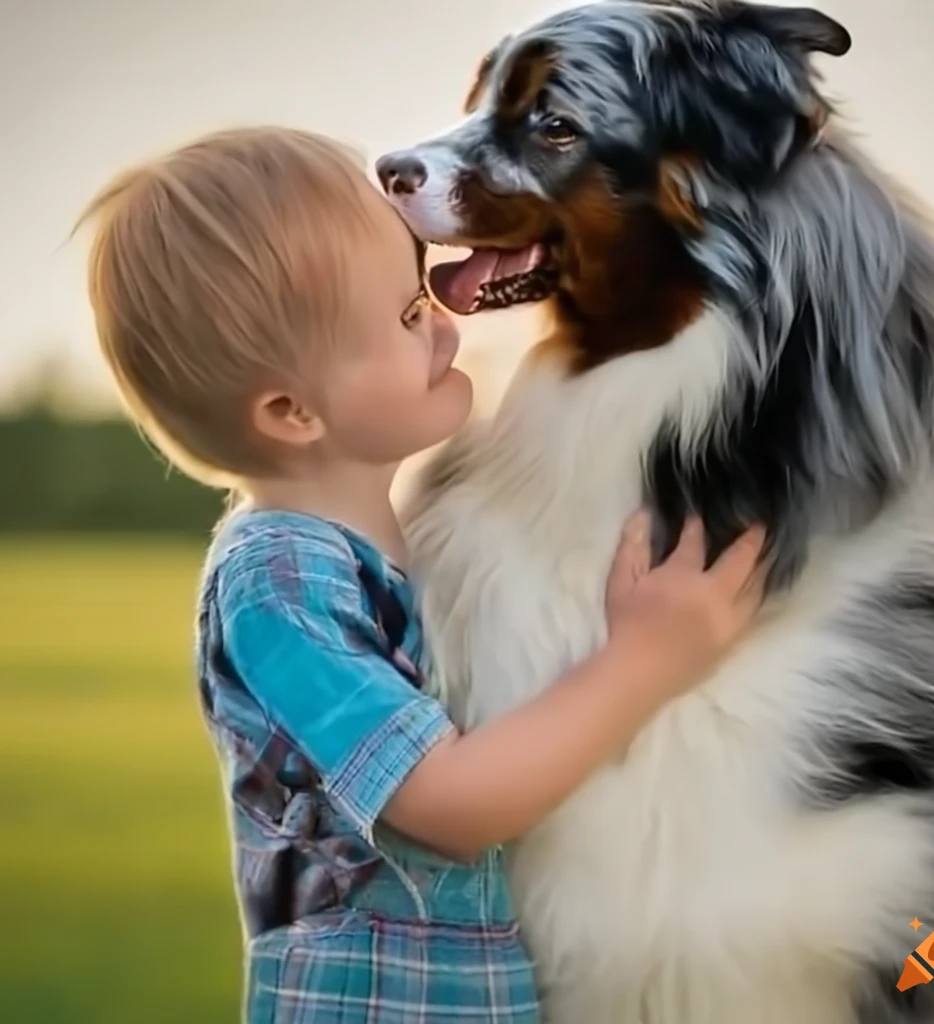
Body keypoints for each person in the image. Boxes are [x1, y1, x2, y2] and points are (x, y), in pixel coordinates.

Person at [77, 126, 766, 1023]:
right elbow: (454, 804)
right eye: (406, 316)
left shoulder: (402, 551)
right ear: (291, 412)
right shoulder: (280, 578)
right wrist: (648, 657)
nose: (443, 318)